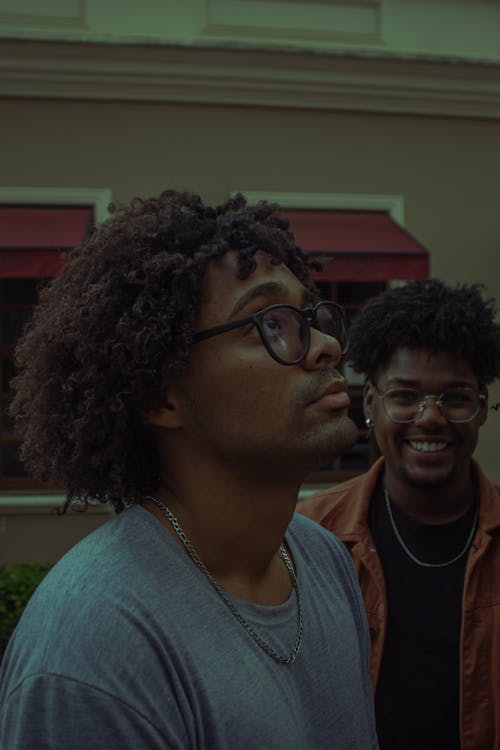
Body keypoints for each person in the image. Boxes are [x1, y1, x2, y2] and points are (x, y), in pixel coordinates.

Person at [0, 191, 378, 749]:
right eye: (270, 323)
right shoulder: (96, 644)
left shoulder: (322, 559)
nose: (324, 346)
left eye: (310, 317)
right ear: (161, 397)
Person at [299, 279, 500, 750]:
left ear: (481, 409)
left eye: (454, 398)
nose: (430, 417)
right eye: (405, 396)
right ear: (370, 403)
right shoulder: (310, 536)